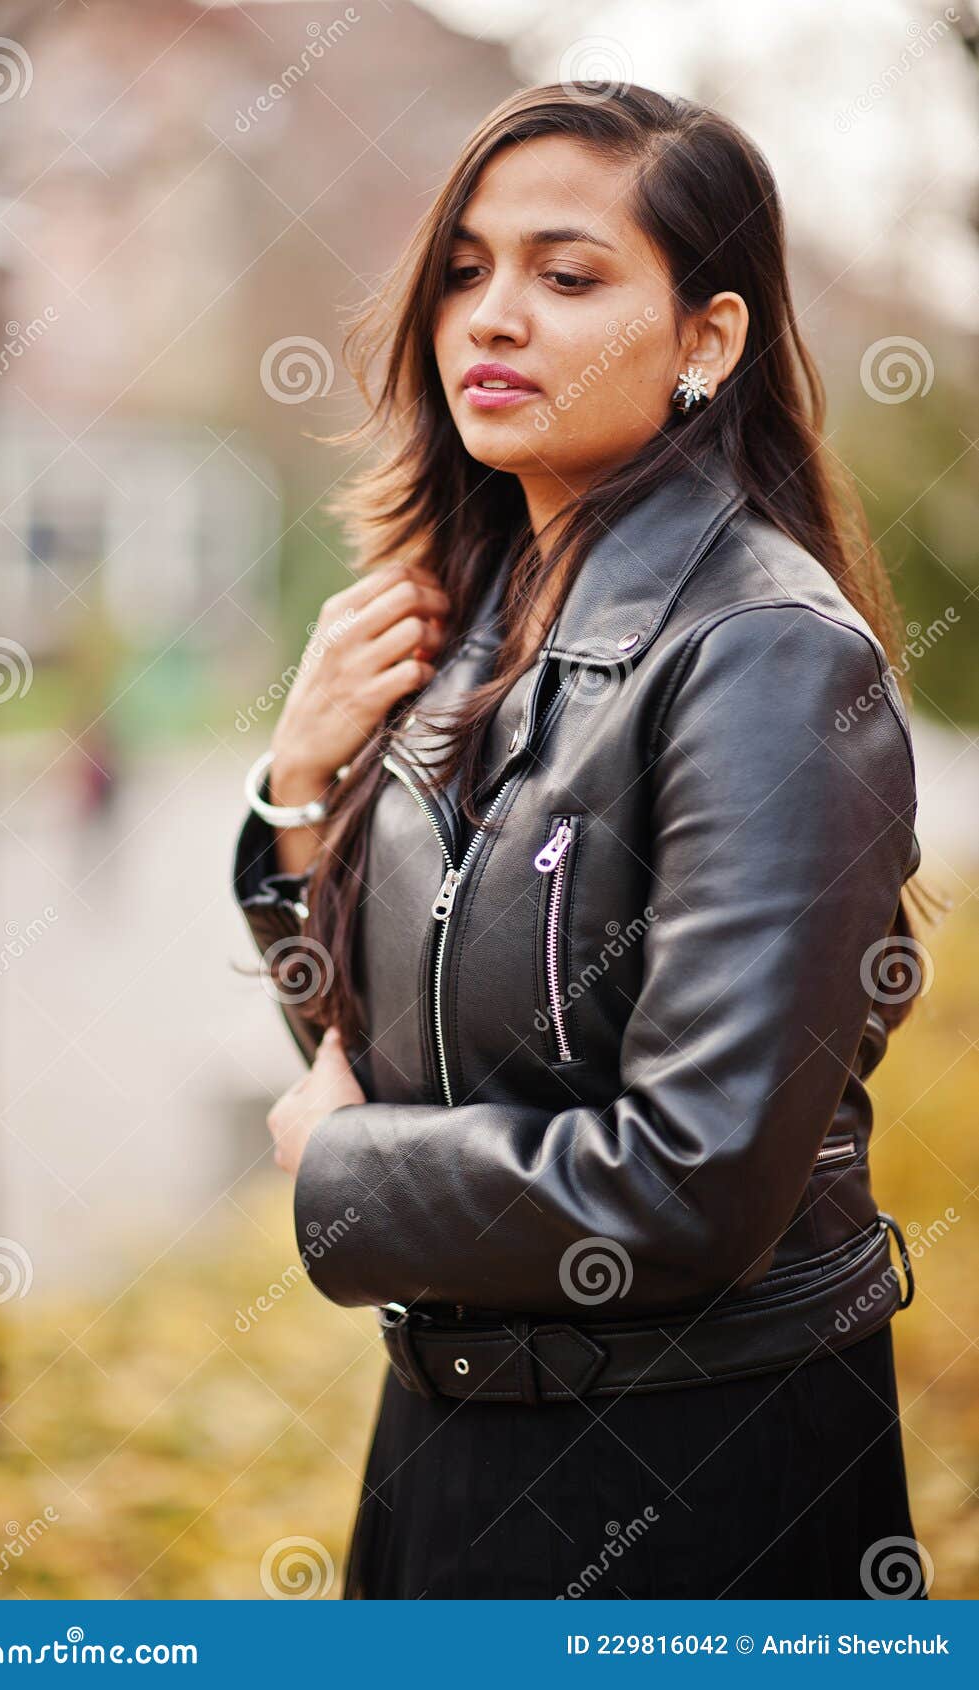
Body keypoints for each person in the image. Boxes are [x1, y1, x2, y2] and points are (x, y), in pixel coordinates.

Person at [232, 83, 932, 1600]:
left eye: (565, 276)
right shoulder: (466, 618)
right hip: (437, 1441)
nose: (491, 316)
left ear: (706, 340)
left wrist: (340, 1173)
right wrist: (298, 779)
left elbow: (689, 1183)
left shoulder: (762, 655)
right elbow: (380, 1044)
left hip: (685, 1481)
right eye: (465, 270)